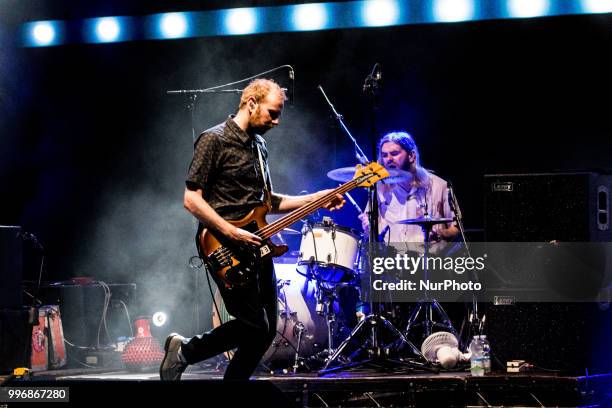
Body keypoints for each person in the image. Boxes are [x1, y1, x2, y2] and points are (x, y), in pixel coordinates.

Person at [160, 78, 344, 381]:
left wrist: (318, 199)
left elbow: (267, 202)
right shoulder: (213, 139)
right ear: (251, 104)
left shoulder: (260, 146)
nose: (276, 121)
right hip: (222, 245)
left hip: (257, 244)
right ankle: (184, 352)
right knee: (253, 325)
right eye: (272, 113)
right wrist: (231, 233)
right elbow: (191, 199)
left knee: (266, 330)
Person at [359, 131, 458, 244]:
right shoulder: (379, 188)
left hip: (431, 257)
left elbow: (456, 228)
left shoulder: (440, 186)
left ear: (411, 156)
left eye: (394, 153)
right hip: (391, 258)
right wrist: (367, 225)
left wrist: (440, 234)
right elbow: (368, 223)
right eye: (384, 155)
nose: (389, 159)